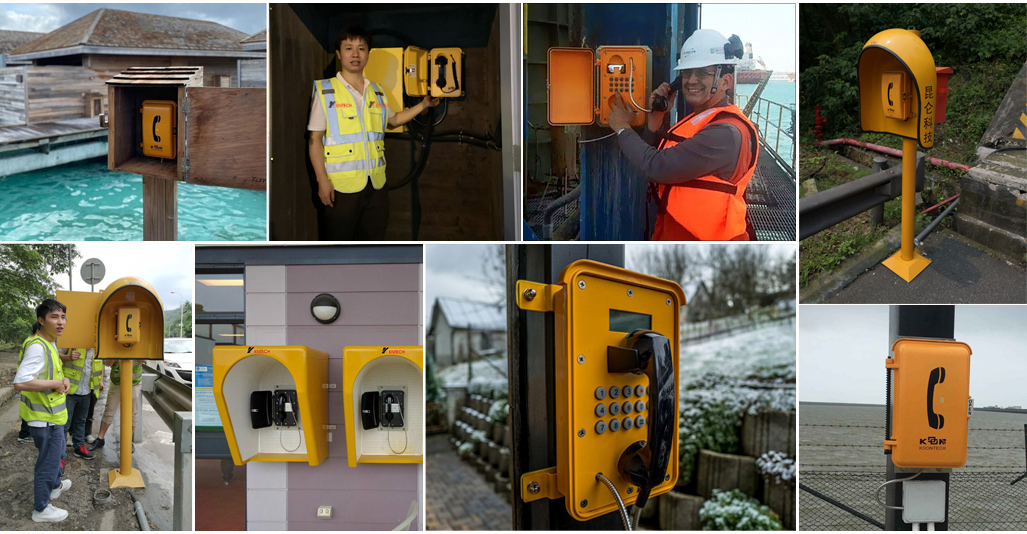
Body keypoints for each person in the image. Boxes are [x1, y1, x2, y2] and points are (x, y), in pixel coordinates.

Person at [607, 29, 760, 241]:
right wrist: (655, 118)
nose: (691, 80)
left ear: (726, 81)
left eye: (703, 72)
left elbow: (657, 166)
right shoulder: (700, 121)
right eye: (687, 73)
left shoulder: (726, 134)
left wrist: (622, 128)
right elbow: (656, 155)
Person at [308, 25, 440, 240]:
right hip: (341, 187)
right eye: (349, 48)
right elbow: (315, 139)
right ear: (339, 54)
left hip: (376, 186)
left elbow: (394, 120)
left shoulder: (377, 91)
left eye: (361, 48)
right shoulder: (325, 91)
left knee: (373, 241)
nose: (355, 54)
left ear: (368, 54)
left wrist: (424, 104)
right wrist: (322, 181)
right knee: (339, 243)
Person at [13, 299, 72, 522]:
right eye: (54, 317)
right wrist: (55, 383)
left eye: (63, 317)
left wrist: (63, 379)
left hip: (51, 416)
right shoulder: (38, 347)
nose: (60, 322)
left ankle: (55, 486)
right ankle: (41, 509)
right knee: (48, 462)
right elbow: (21, 382)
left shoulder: (48, 342)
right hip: (44, 418)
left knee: (54, 457)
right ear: (41, 320)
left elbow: (50, 373)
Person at [89, 359, 141, 454]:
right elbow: (108, 363)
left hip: (133, 382)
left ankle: (128, 441)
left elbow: (144, 359)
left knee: (133, 413)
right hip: (117, 381)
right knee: (109, 409)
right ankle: (100, 439)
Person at [59, 347, 101, 460]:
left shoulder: (98, 346)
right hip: (69, 390)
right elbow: (55, 354)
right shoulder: (73, 341)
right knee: (64, 423)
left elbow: (100, 366)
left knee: (81, 421)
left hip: (86, 391)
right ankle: (60, 453)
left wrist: (100, 381)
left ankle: (79, 447)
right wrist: (68, 357)